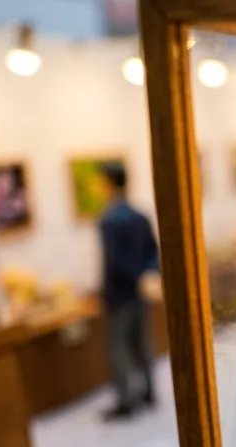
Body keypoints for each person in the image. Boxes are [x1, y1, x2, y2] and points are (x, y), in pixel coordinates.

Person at [96, 163, 159, 420]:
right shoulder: (140, 216)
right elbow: (153, 252)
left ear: (107, 183)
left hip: (119, 293)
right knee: (141, 341)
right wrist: (145, 275)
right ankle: (148, 390)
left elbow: (115, 261)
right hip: (140, 291)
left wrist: (132, 276)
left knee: (119, 346)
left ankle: (126, 400)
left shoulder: (109, 219)